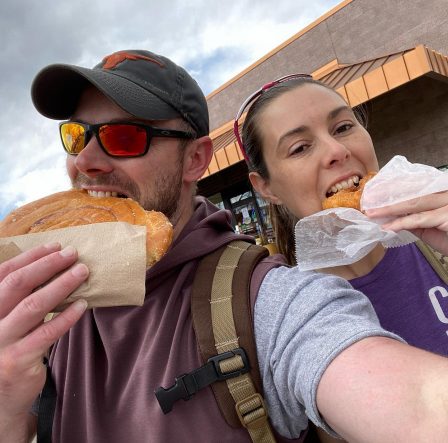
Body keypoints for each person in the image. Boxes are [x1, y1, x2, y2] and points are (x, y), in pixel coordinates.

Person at [0, 51, 447, 443]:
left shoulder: (263, 300)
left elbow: (421, 407)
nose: (85, 163)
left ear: (195, 159)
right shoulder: (44, 307)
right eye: (77, 136)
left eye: (124, 137)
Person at [237, 73, 448, 440]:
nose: (336, 151)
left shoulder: (435, 241)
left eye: (344, 126)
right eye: (300, 147)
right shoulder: (286, 324)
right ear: (265, 187)